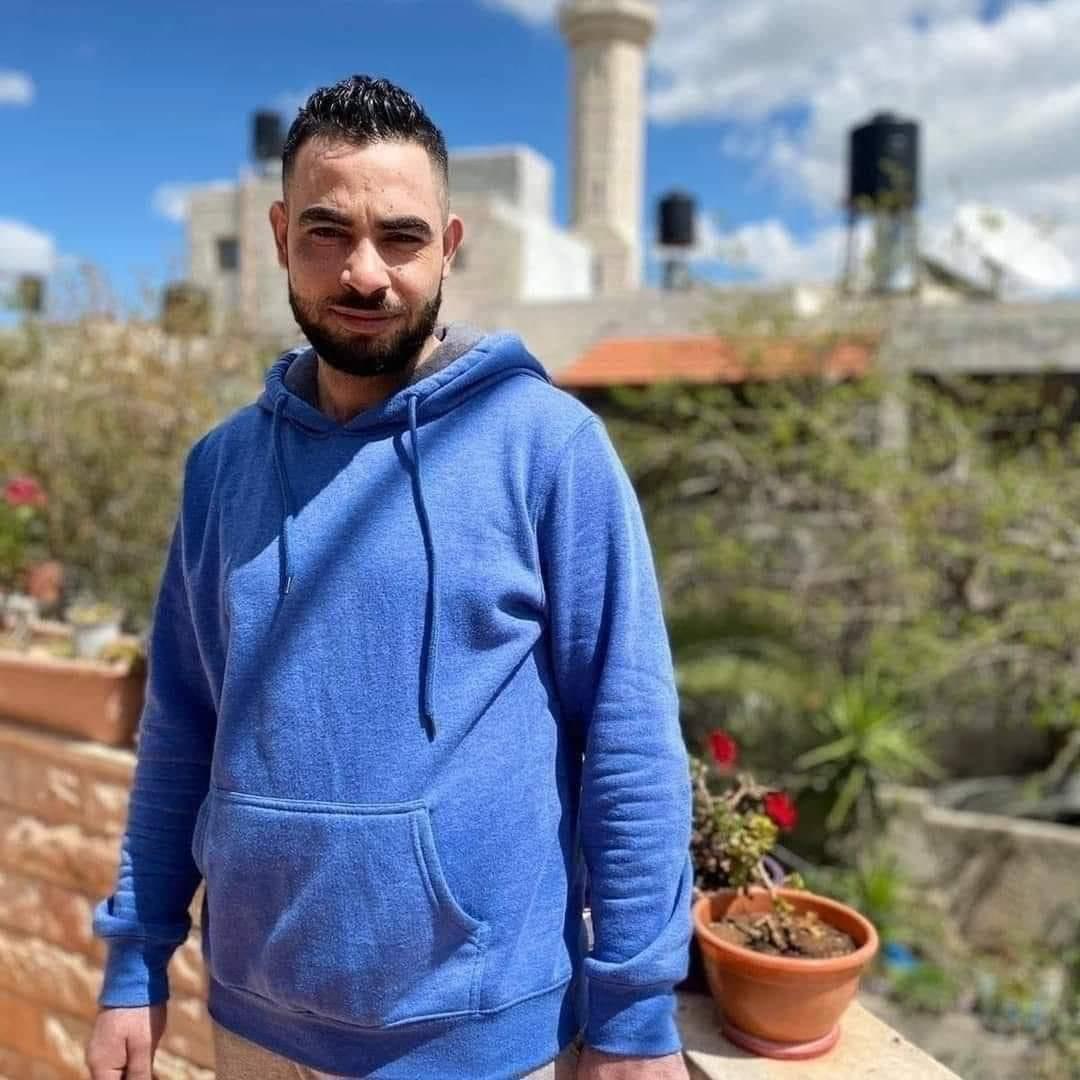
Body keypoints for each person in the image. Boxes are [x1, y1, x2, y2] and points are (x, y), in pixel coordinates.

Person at [85, 75, 693, 1080]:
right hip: (253, 1026)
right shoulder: (222, 469)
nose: (363, 273)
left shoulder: (549, 450)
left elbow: (628, 739)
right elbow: (181, 724)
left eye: (400, 238)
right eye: (327, 232)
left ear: (448, 247)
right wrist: (136, 957)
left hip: (484, 1039)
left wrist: (632, 1016)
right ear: (280, 236)